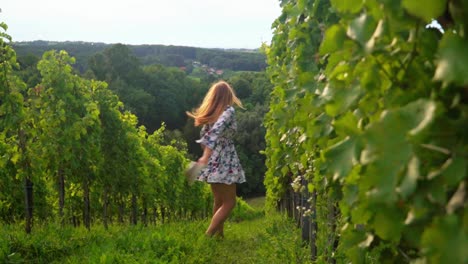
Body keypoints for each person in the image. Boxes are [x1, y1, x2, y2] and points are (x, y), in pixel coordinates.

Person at [186, 80, 246, 237]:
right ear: (228, 95)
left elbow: (204, 135)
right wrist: (205, 156)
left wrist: (206, 155)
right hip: (225, 161)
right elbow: (215, 132)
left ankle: (219, 236)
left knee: (219, 201)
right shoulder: (228, 111)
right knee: (230, 202)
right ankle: (209, 234)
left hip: (213, 162)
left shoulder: (211, 115)